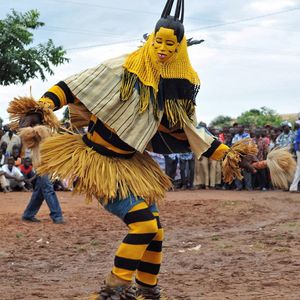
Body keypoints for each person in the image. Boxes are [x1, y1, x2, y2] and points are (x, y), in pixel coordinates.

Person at [8, 1, 257, 298]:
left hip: (132, 166)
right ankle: (113, 290)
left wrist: (229, 154)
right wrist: (43, 107)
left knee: (155, 231)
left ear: (180, 49)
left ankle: (148, 291)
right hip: (98, 163)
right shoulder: (120, 68)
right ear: (151, 40)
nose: (163, 49)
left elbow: (191, 130)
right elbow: (73, 85)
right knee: (142, 225)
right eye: (159, 42)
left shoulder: (174, 90)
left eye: (171, 45)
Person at [289, 120, 300, 192]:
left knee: (299, 169)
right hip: (299, 150)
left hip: (298, 151)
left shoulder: (298, 131)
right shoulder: (299, 131)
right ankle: (293, 187)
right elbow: (299, 143)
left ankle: (293, 187)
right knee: (299, 169)